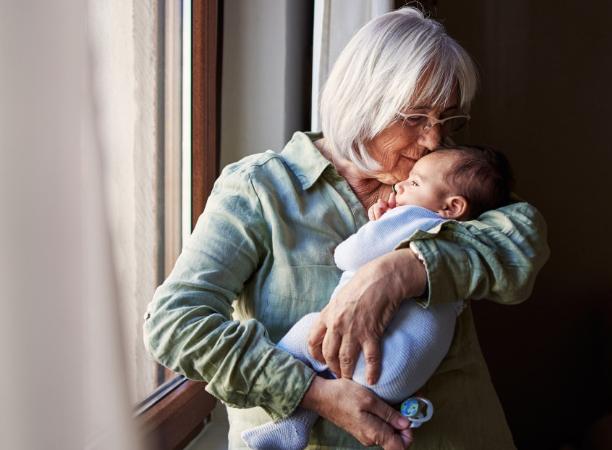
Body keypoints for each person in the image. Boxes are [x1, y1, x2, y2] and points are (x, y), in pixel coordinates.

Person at [144, 7, 549, 450]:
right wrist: (310, 392)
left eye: (446, 118)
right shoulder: (261, 190)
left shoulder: (447, 177)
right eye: (415, 117)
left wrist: (402, 271)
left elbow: (522, 241)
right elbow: (174, 324)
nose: (435, 139)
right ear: (363, 100)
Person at [241, 145, 515, 450]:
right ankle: (302, 423)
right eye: (415, 117)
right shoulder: (461, 232)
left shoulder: (414, 217)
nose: (400, 186)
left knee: (312, 330)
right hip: (401, 379)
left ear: (451, 207)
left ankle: (295, 409)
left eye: (414, 183)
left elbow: (348, 255)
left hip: (376, 361)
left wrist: (377, 226)